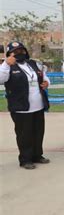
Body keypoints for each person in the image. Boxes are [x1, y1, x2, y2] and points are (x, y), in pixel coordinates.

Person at [0, 41, 50, 169]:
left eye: (21, 50)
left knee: (38, 132)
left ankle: (37, 155)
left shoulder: (32, 63)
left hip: (37, 105)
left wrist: (46, 82)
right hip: (21, 107)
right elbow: (1, 79)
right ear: (9, 54)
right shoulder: (8, 66)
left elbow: (43, 76)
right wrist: (6, 64)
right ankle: (25, 159)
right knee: (24, 135)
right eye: (15, 52)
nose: (19, 53)